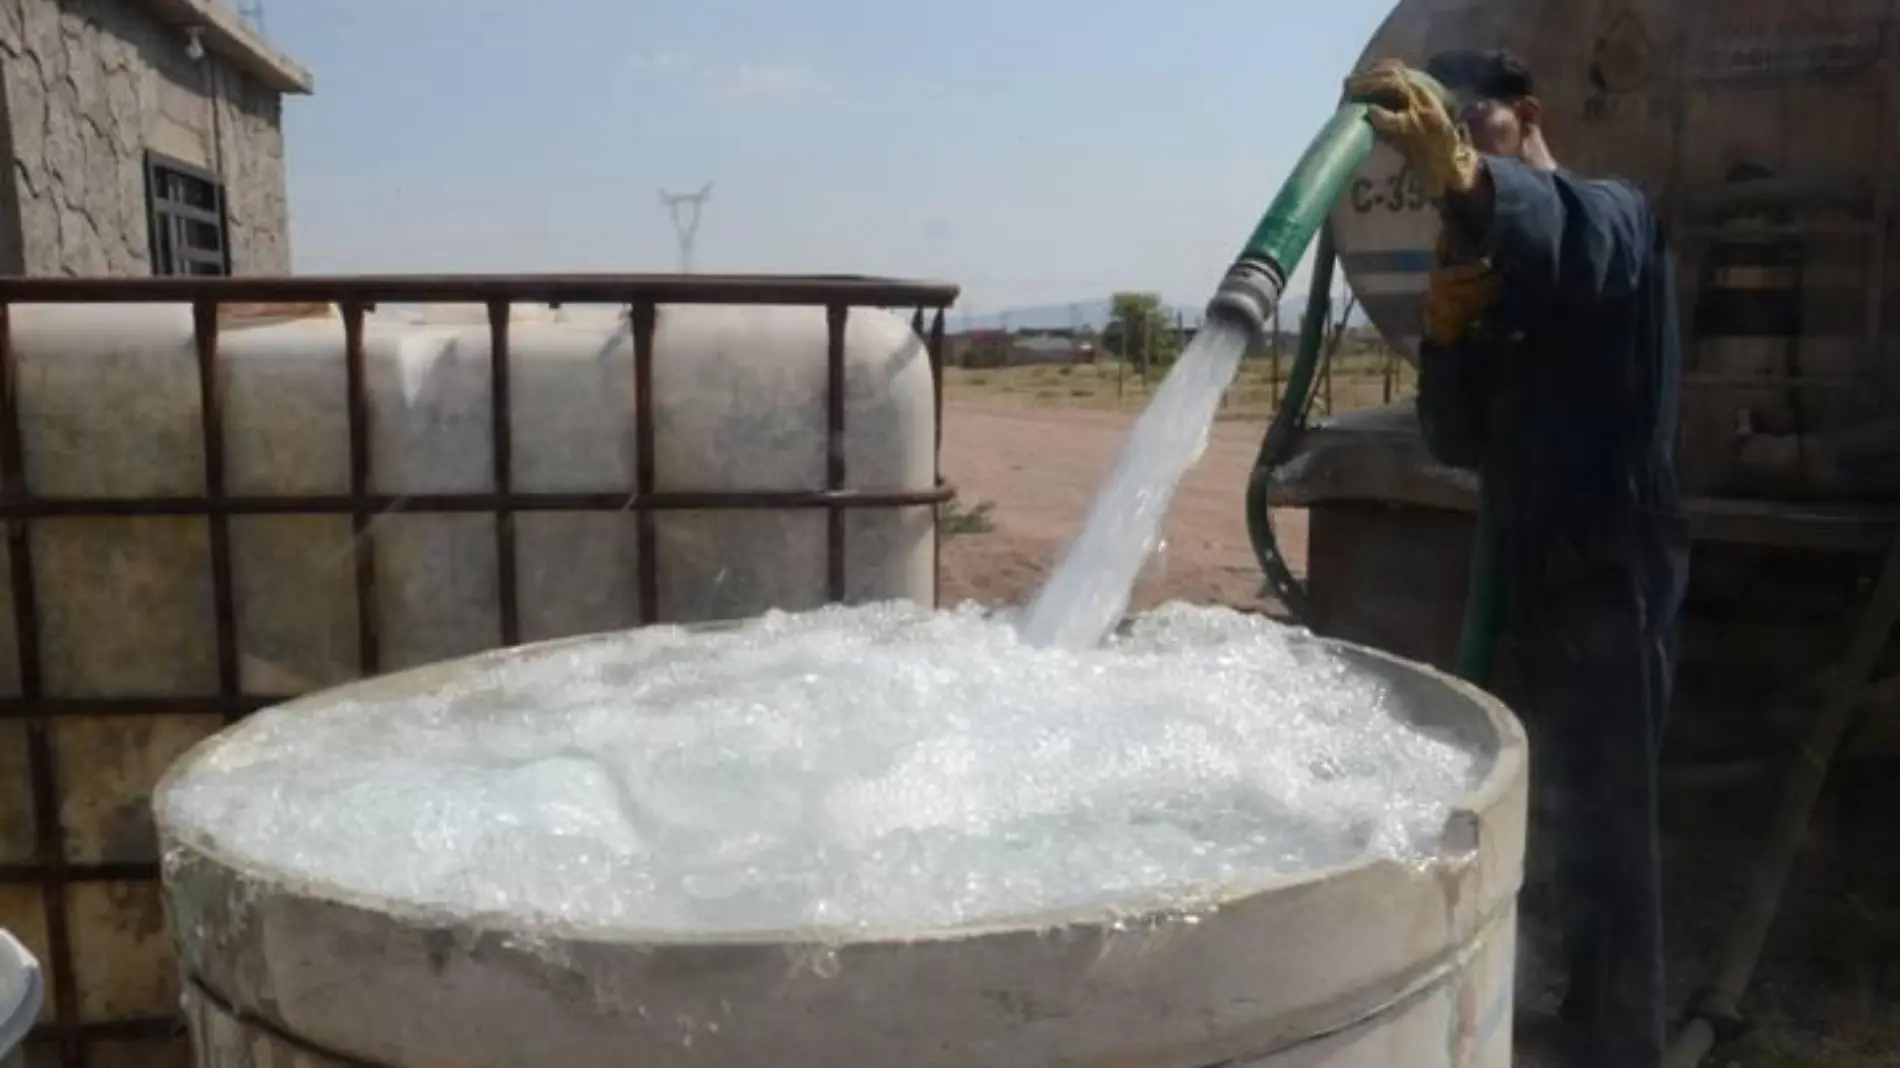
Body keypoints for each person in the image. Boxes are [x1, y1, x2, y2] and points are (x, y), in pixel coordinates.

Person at [1343, 51, 1691, 1068]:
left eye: (1469, 120)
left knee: (1612, 817)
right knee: (1528, 795)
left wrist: (1465, 177)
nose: (1450, 147)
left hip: (1613, 559)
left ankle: (1618, 1044)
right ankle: (1535, 1007)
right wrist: (1448, 334)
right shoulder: (1498, 278)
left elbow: (1576, 235)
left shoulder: (1613, 213)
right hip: (1525, 557)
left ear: (1526, 115)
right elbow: (1456, 439)